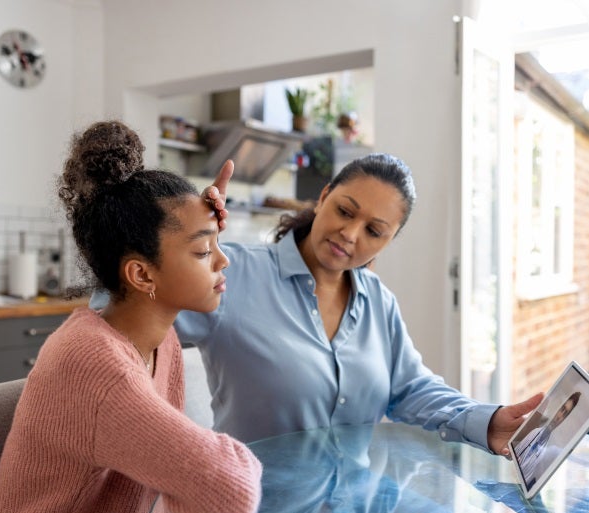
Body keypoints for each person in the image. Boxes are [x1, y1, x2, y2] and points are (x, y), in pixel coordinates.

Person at [0, 120, 264, 513]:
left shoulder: (155, 335)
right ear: (140, 273)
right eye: (202, 251)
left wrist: (202, 230)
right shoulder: (94, 366)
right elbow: (231, 492)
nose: (223, 261)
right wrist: (214, 465)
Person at [171, 153, 542, 453]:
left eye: (373, 231)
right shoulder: (233, 275)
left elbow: (410, 387)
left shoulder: (379, 301)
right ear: (323, 197)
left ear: (389, 240)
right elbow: (130, 308)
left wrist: (487, 422)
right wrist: (183, 241)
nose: (349, 234)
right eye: (345, 211)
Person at [514, 391, 582, 488]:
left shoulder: (553, 450)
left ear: (566, 418)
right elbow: (516, 453)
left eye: (565, 414)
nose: (560, 416)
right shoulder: (535, 431)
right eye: (562, 409)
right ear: (558, 408)